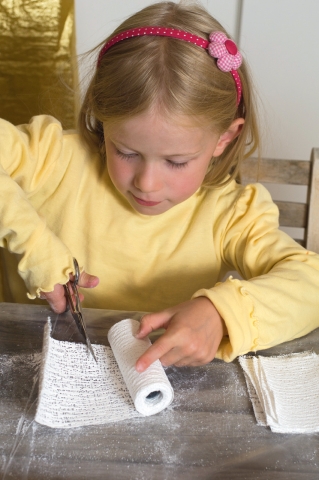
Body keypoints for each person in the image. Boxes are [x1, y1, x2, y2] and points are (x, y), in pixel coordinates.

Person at [1, 1, 319, 373]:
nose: (147, 183)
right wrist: (33, 243)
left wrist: (220, 313)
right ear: (103, 119)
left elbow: (310, 285)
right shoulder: (51, 158)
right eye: (126, 151)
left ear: (223, 138)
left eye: (176, 161)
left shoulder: (232, 213)